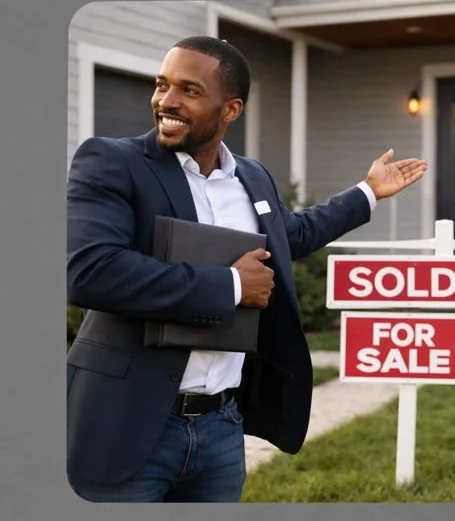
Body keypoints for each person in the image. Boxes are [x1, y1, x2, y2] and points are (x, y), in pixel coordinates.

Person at [66, 35, 427, 502]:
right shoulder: (112, 162)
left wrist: (367, 193)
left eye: (189, 90)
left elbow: (289, 234)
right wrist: (232, 285)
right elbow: (92, 271)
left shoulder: (251, 176)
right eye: (162, 85)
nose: (166, 101)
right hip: (126, 424)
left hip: (219, 429)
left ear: (231, 109)